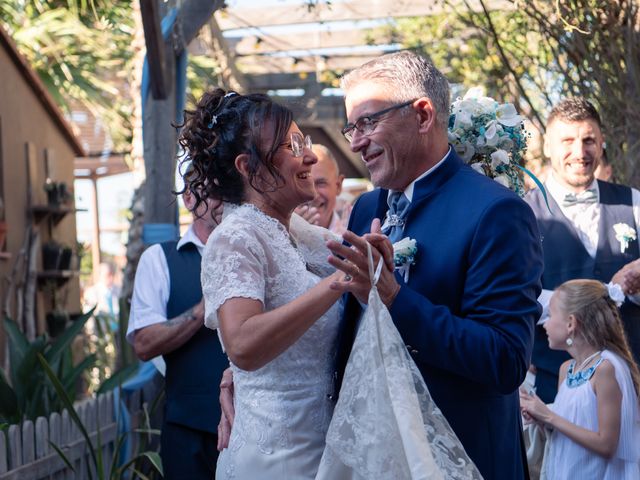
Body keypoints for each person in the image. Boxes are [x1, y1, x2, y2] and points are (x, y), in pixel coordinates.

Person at [321, 51, 543, 479]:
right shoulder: (367, 205)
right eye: (352, 127)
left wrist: (392, 295)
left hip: (462, 456)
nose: (354, 142)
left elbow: (505, 360)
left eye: (368, 122)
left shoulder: (496, 212)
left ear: (423, 115)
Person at [180, 89, 360, 479]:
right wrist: (335, 286)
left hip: (325, 449)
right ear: (249, 168)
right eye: (294, 145)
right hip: (276, 458)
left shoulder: (305, 236)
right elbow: (242, 345)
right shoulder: (236, 238)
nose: (310, 156)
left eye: (306, 142)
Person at [525, 97, 640, 404]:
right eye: (568, 141)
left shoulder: (633, 202)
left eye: (589, 140)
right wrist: (604, 293)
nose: (580, 152)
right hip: (556, 389)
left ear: (602, 143)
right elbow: (519, 296)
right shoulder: (521, 213)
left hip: (632, 386)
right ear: (548, 146)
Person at [126, 168, 228, 480]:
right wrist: (204, 309)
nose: (223, 199)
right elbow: (143, 344)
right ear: (188, 198)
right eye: (211, 190)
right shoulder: (159, 259)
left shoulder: (257, 253)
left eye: (229, 189)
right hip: (187, 433)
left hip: (255, 428)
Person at [520, 279, 640, 479]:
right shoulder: (566, 370)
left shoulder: (606, 369)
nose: (545, 324)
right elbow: (568, 429)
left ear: (571, 323)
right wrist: (541, 418)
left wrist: (550, 416)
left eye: (550, 315)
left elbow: (607, 445)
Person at [294, 144, 348, 234]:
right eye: (303, 181)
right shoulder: (275, 236)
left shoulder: (355, 235)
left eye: (321, 183)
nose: (313, 195)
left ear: (338, 186)